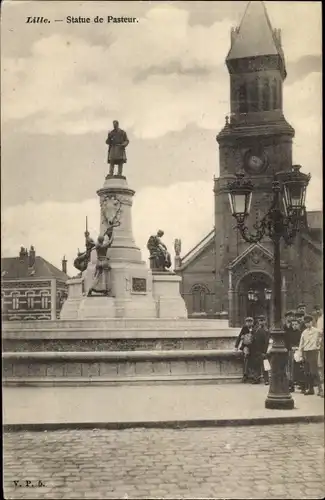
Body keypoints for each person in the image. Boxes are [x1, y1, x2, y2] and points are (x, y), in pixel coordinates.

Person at [296, 314, 323, 397]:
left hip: (313, 352)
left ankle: (320, 390)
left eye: (309, 322)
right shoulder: (304, 332)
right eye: (306, 323)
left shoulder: (317, 331)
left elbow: (321, 336)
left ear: (312, 322)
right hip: (306, 353)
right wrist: (300, 354)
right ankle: (310, 389)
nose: (307, 324)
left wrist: (319, 344)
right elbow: (301, 344)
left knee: (314, 372)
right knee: (307, 372)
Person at [250, 315, 270, 384]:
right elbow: (252, 339)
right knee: (256, 365)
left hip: (263, 350)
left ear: (265, 321)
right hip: (256, 350)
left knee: (265, 365)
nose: (261, 322)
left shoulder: (266, 330)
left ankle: (266, 380)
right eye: (260, 320)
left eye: (262, 320)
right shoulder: (255, 329)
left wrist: (264, 351)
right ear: (258, 321)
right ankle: (256, 379)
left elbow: (267, 342)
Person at [235, 317, 255, 383]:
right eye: (248, 322)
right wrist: (236, 346)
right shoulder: (244, 328)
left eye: (250, 322)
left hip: (253, 347)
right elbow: (239, 336)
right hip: (246, 346)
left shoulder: (254, 328)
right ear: (246, 322)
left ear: (252, 322)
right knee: (246, 357)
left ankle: (253, 375)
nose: (249, 323)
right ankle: (245, 374)